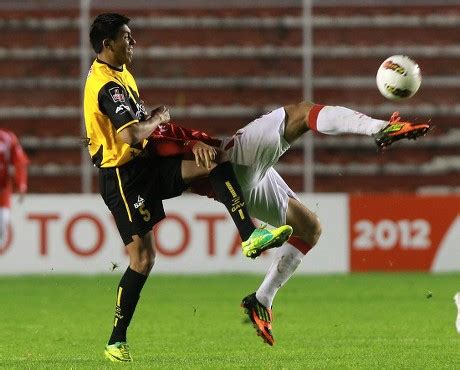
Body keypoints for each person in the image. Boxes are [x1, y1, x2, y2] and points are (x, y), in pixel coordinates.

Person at [83, 13, 293, 363]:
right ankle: (116, 340)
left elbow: (129, 130)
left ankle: (250, 235)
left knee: (214, 158)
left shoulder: (119, 75)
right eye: (126, 37)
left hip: (143, 165)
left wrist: (176, 137)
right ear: (107, 45)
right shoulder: (108, 85)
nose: (132, 42)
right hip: (123, 178)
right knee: (143, 259)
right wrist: (158, 118)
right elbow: (131, 134)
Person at [149, 103, 431, 346]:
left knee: (309, 228)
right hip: (234, 165)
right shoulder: (139, 135)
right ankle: (380, 128)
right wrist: (180, 137)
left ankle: (261, 299)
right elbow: (159, 156)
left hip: (242, 186)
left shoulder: (142, 125)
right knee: (301, 112)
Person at [0, 129, 29, 247]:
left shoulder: (7, 138)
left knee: (3, 220)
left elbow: (19, 162)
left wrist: (21, 184)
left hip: (2, 189)